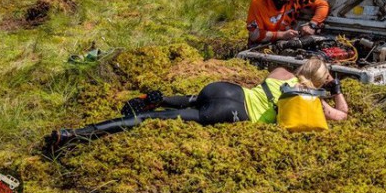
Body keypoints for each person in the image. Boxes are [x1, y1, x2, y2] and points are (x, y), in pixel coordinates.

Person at [44, 58, 349, 152]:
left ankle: (162, 97)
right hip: (233, 113)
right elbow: (343, 115)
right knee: (154, 120)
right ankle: (72, 136)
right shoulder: (313, 103)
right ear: (320, 82)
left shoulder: (280, 73)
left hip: (228, 90)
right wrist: (335, 89)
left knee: (191, 100)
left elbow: (284, 78)